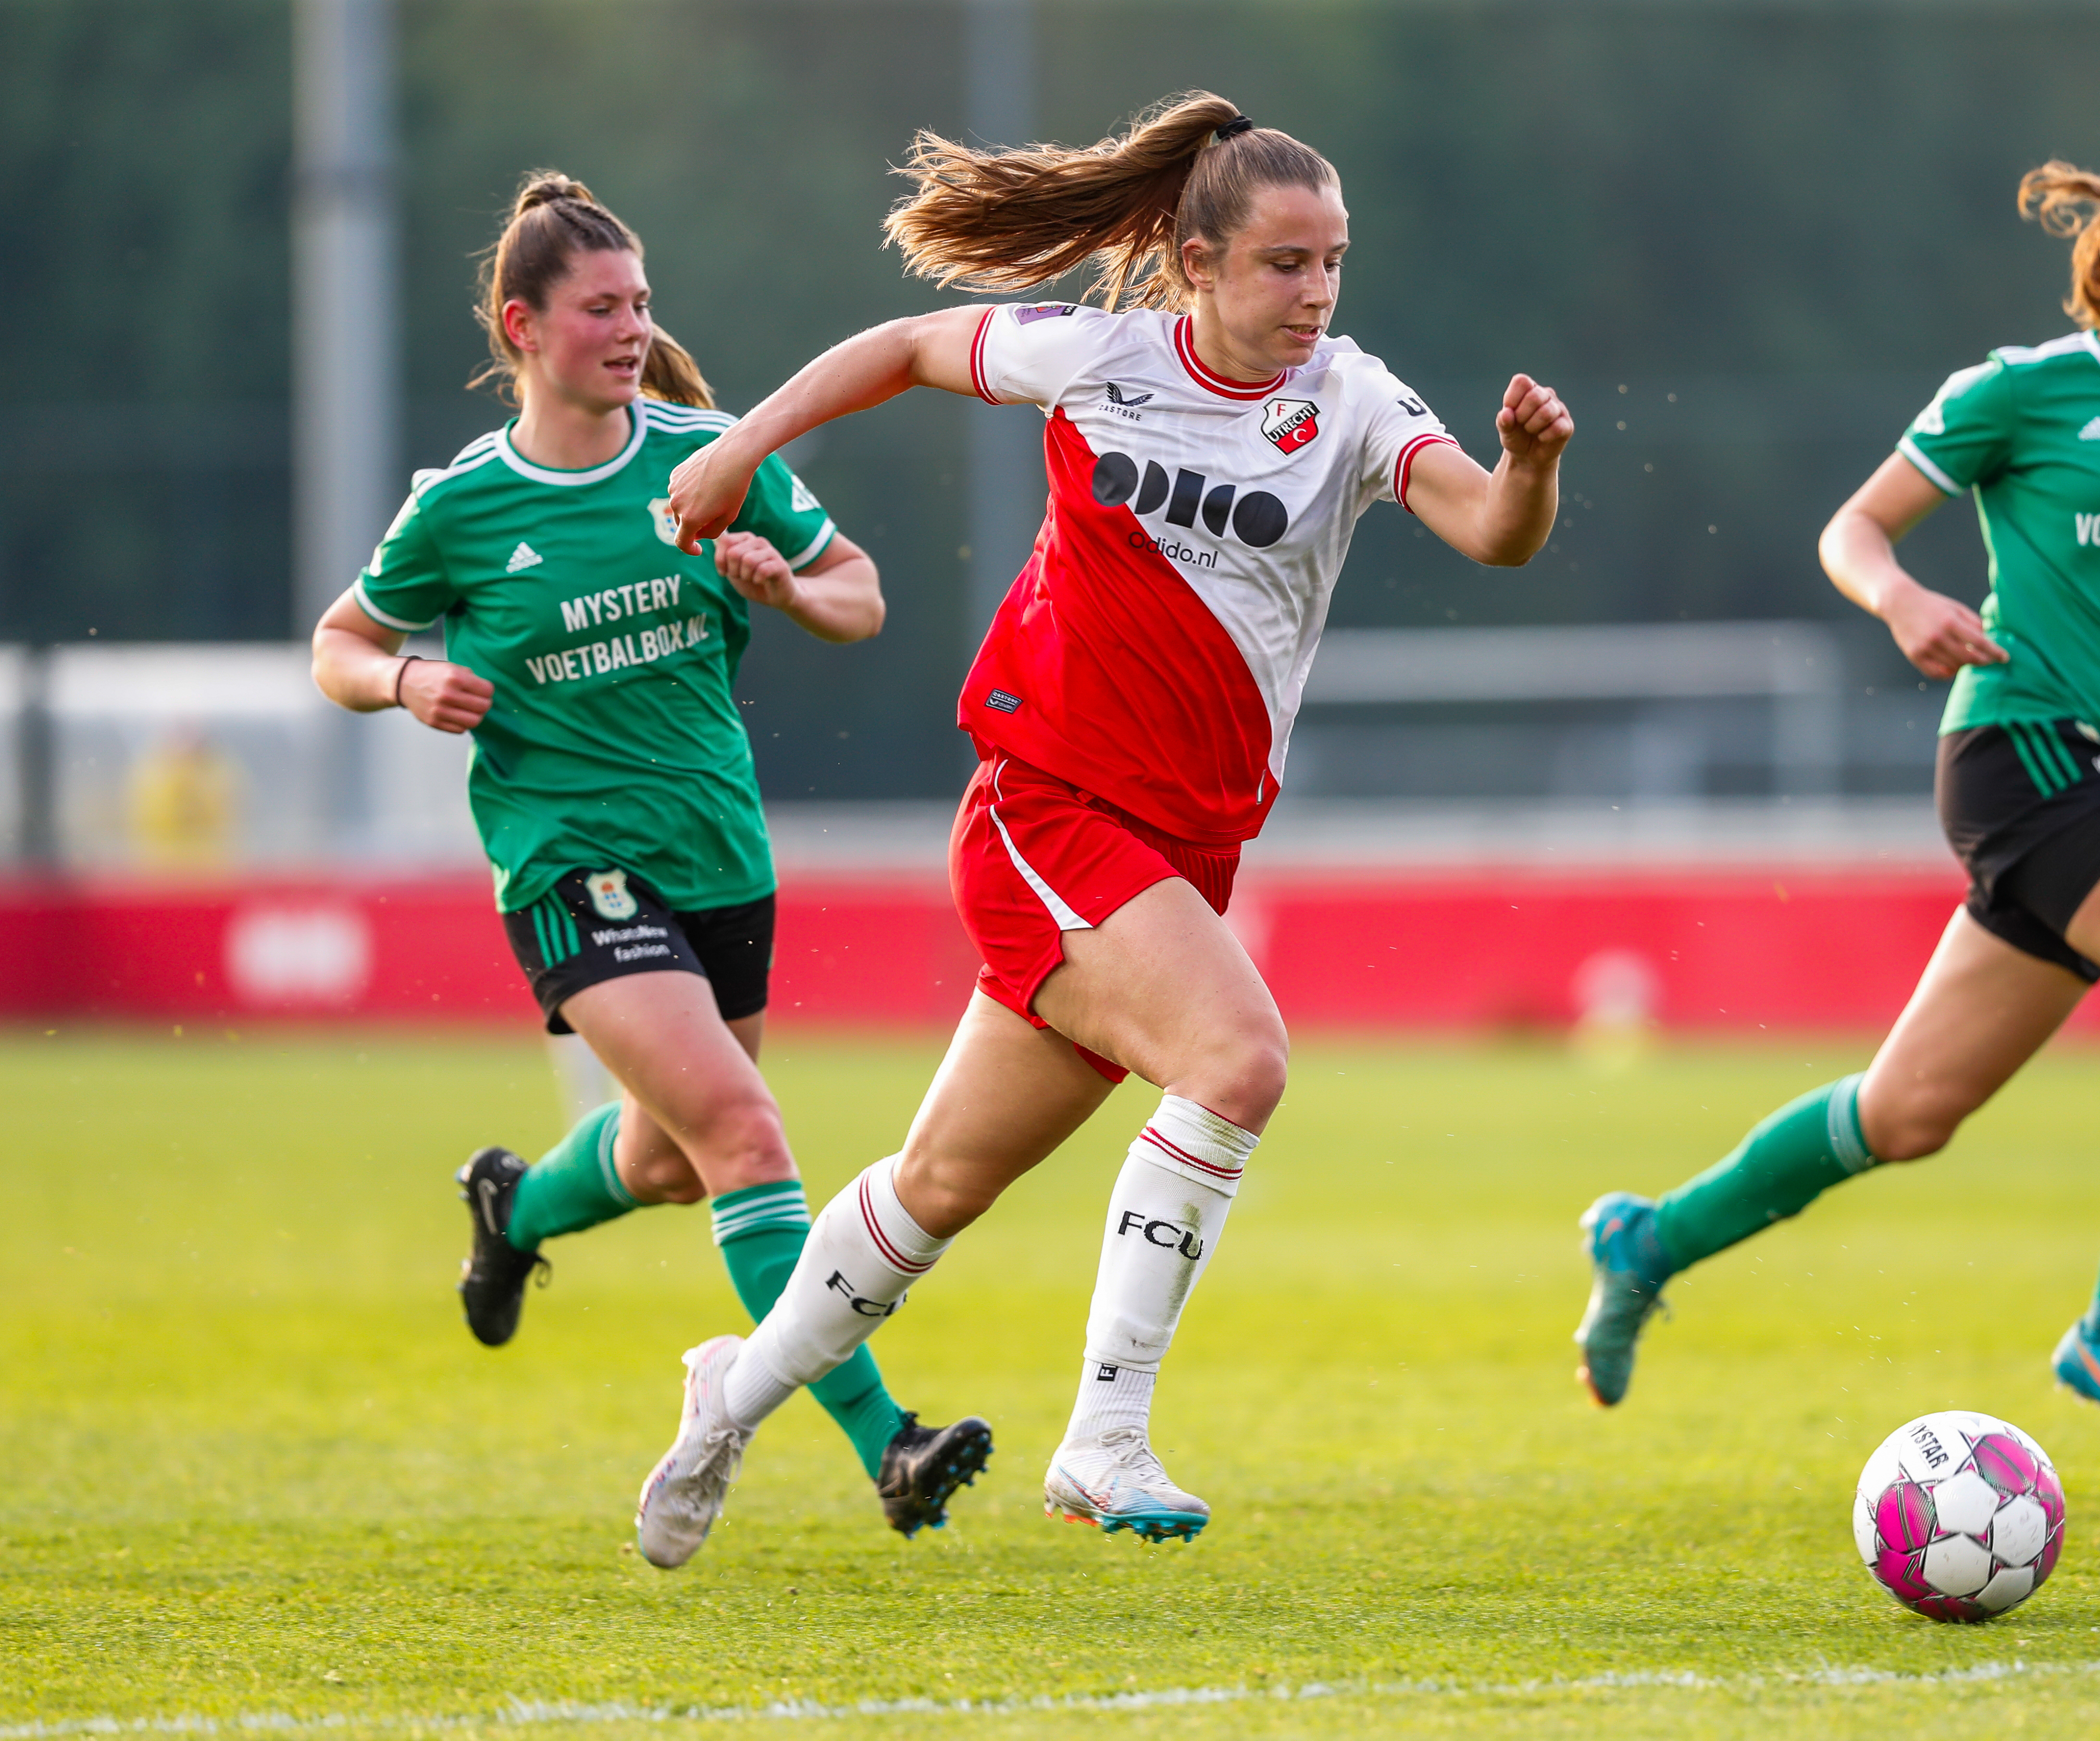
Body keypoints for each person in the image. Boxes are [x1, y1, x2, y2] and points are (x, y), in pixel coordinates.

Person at [629, 93, 1574, 1566]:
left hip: (1181, 849)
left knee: (937, 1184)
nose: (1315, 292)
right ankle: (1104, 1432)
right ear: (1193, 265)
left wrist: (1530, 467)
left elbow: (1491, 530)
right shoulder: (1103, 355)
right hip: (1045, 799)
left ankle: (729, 1391)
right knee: (1238, 1058)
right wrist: (743, 441)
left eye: (1333, 262)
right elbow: (899, 347)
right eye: (1282, 264)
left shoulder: (1354, 400)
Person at [1571, 143, 2100, 1454]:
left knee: (1904, 1116)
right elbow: (1856, 529)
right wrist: (1901, 601)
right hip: (2023, 750)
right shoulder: (2024, 392)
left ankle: (1647, 1241)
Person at [308, 172, 993, 1537]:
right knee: (743, 1135)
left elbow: (860, 598)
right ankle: (888, 1442)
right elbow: (340, 643)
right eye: (600, 307)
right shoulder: (462, 507)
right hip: (569, 866)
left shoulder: (707, 458)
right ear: (524, 324)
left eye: (641, 304)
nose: (631, 328)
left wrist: (788, 587)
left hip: (717, 855)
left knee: (676, 1157)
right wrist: (402, 686)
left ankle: (514, 1205)